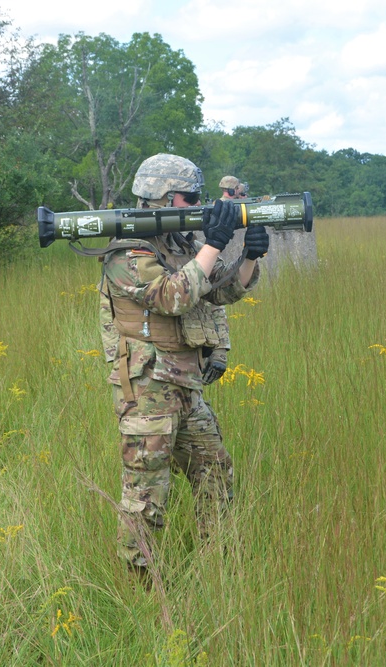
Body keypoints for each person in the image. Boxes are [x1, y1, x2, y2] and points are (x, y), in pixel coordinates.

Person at [97, 153, 270, 575]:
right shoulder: (127, 254)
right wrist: (213, 243)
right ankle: (141, 587)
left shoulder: (181, 244)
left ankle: (218, 570)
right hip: (148, 393)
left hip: (186, 385)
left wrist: (249, 257)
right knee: (146, 496)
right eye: (189, 197)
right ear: (162, 196)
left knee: (216, 475)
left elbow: (218, 294)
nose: (196, 203)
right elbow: (173, 298)